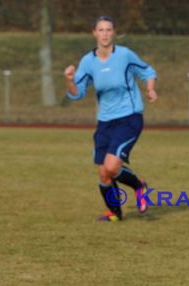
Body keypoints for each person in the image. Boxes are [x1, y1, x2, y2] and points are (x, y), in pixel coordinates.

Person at [64, 16, 158, 222]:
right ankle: (115, 213)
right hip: (105, 122)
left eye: (108, 30)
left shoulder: (124, 55)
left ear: (113, 33)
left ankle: (138, 186)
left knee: (112, 166)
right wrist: (69, 80)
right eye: (101, 30)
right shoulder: (88, 61)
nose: (105, 34)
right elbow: (77, 93)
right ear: (94, 33)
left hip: (129, 118)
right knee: (104, 174)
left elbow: (147, 71)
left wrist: (150, 89)